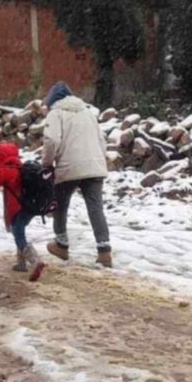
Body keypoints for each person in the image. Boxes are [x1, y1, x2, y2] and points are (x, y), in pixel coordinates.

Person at [40, 81, 113, 267]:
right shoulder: (88, 113)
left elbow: (51, 139)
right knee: (96, 208)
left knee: (60, 204)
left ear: (53, 100)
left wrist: (47, 164)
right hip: (94, 166)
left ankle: (61, 246)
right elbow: (101, 140)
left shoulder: (56, 113)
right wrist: (98, 159)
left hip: (69, 166)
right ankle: (105, 253)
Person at [0, 142, 47, 282]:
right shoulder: (21, 168)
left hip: (17, 208)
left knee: (18, 235)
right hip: (30, 208)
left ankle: (35, 261)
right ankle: (21, 264)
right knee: (19, 231)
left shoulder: (5, 171)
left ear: (0, 157)